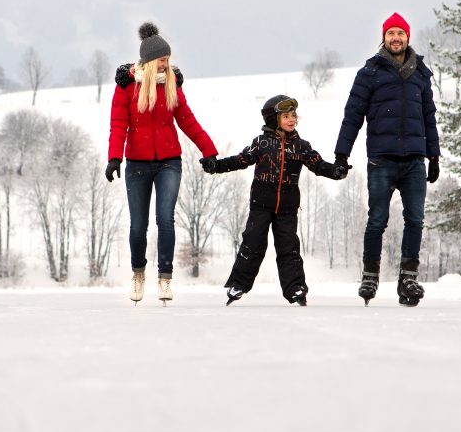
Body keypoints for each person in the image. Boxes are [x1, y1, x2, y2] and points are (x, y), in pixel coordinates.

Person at [333, 12, 441, 307]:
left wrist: (434, 155)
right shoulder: (369, 73)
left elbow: (429, 118)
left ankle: (409, 277)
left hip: (414, 161)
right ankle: (370, 274)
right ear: (384, 38)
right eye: (391, 33)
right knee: (377, 220)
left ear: (408, 38)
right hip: (381, 159)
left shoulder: (421, 74)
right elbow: (352, 116)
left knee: (415, 220)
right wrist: (341, 154)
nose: (396, 38)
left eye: (401, 34)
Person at [106, 22, 218, 304]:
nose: (166, 65)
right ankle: (138, 274)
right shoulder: (127, 87)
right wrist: (113, 158)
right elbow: (118, 125)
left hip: (169, 162)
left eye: (168, 60)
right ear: (149, 60)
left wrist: (209, 151)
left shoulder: (172, 85)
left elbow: (188, 121)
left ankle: (165, 279)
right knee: (138, 225)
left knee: (165, 220)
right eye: (162, 60)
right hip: (137, 165)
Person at [202, 95, 349, 306]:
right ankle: (239, 284)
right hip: (261, 206)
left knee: (288, 248)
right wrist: (216, 165)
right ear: (273, 119)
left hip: (287, 209)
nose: (292, 120)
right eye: (286, 116)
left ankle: (295, 288)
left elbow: (318, 164)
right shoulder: (261, 143)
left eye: (294, 115)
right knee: (252, 244)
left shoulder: (301, 146)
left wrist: (335, 171)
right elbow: (240, 160)